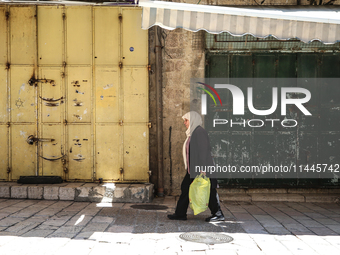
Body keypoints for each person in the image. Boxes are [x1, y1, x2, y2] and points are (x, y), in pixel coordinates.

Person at [167, 111, 224, 222]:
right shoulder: (192, 133)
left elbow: (203, 151)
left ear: (193, 120)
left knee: (210, 190)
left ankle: (218, 214)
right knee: (185, 188)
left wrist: (203, 169)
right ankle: (180, 214)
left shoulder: (199, 132)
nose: (184, 123)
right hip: (193, 169)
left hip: (201, 169)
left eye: (186, 120)